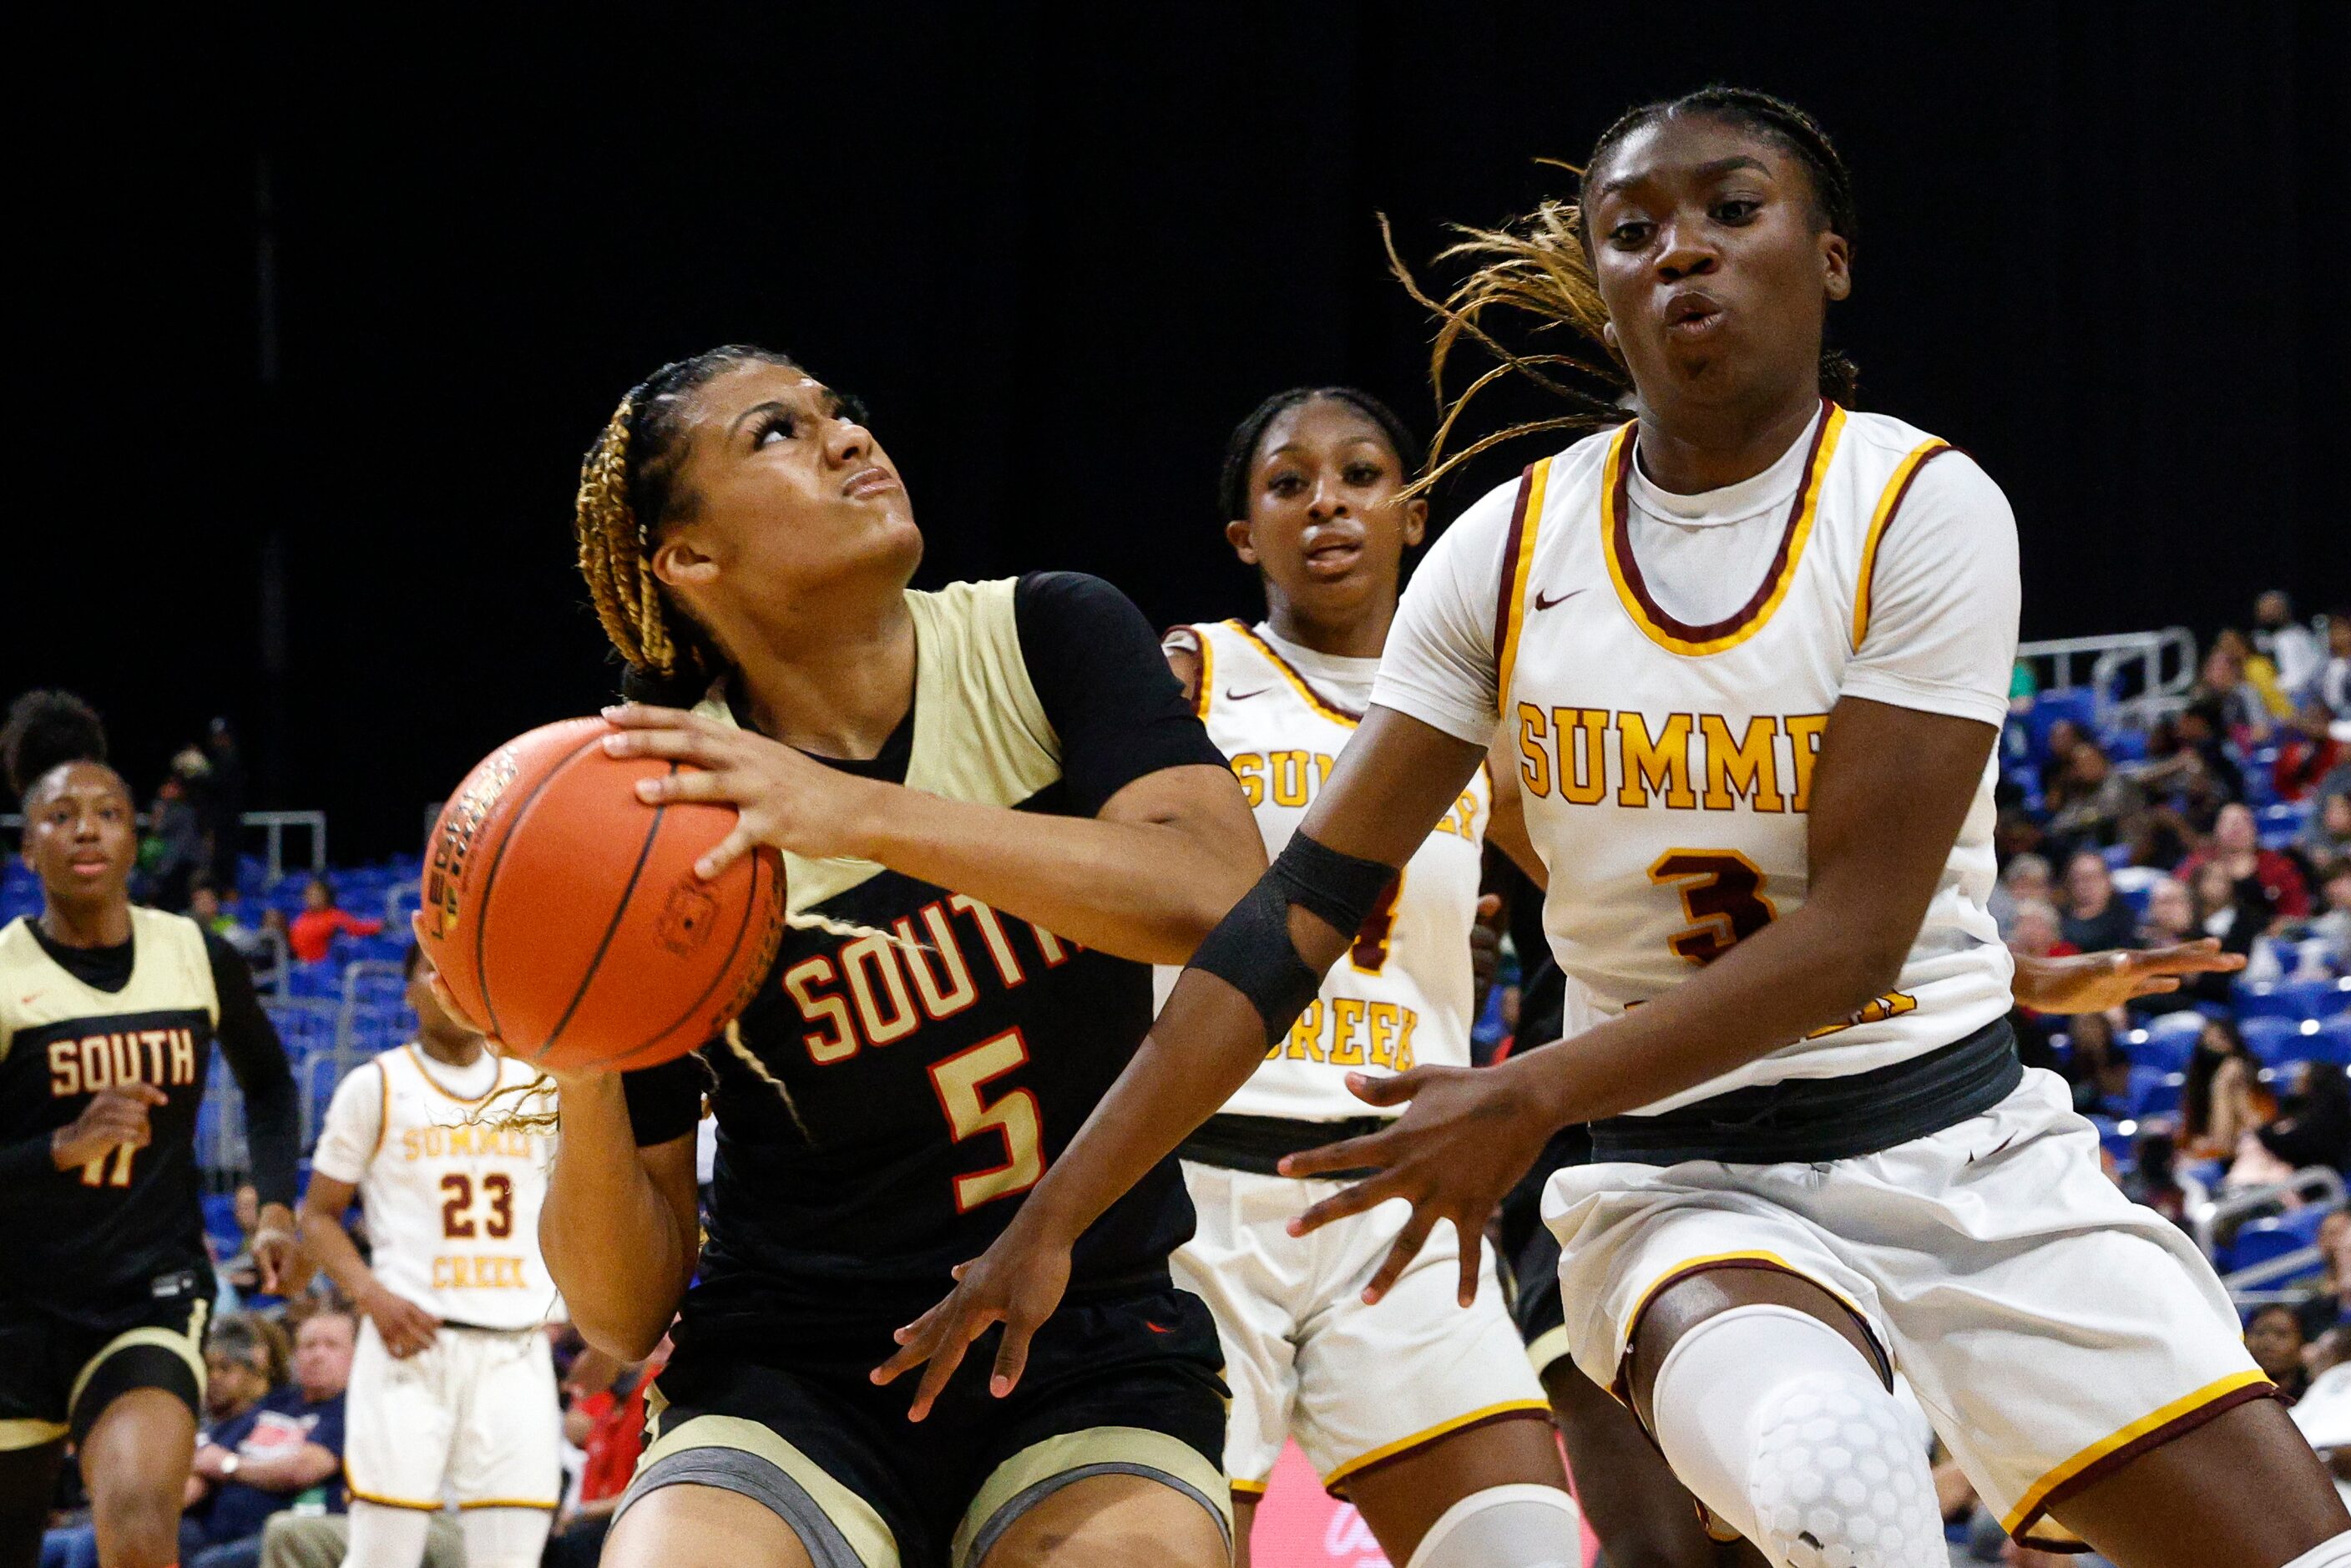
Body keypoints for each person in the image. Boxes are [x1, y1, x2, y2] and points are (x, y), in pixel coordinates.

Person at [884, 89, 2351, 1567]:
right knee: (1838, 1481)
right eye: (1632, 232)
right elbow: (1289, 913)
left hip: (1968, 1146)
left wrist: (1525, 1095)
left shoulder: (1921, 503)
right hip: (1684, 1178)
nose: (1681, 254)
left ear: (1829, 257)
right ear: (1599, 287)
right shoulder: (1503, 552)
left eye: (1732, 210)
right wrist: (1055, 1208)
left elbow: (1849, 934)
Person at [446, 345, 1267, 1568]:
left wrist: (855, 813)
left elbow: (1219, 896)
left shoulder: (1044, 634)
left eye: (842, 413)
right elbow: (621, 1311)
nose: (846, 438)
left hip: (1086, 1332)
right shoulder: (659, 810)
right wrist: (579, 1056)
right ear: (691, 559)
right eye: (777, 431)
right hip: (794, 1365)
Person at [1158, 387, 1580, 1565]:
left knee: (1527, 1548)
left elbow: (1618, 899)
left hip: (1402, 1189)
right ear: (1247, 536)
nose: (1327, 501)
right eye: (1287, 484)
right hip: (1194, 1189)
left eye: (1359, 475)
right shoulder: (1189, 674)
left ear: (1413, 514)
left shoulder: (1484, 716)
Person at [0, 690, 306, 1568]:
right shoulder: (6, 978)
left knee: (136, 1522)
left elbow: (273, 1086)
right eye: (62, 817)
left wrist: (277, 1205)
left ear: (139, 837)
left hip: (147, 1292)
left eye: (108, 814)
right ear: (29, 846)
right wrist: (60, 1148)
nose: (87, 830)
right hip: (14, 1306)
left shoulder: (193, 953)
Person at [297, 943, 561, 1568]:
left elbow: (579, 1211)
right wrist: (371, 1295)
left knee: (512, 1561)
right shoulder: (376, 1085)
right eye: (432, 970)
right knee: (380, 1557)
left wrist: (597, 1329)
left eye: (471, 973)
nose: (452, 987)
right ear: (410, 991)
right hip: (406, 1346)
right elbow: (316, 1215)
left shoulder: (541, 1088)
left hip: (516, 1349)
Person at [183, 1311, 354, 1568]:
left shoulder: (350, 1410)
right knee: (137, 1535)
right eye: (308, 1346)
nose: (317, 1355)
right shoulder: (276, 1403)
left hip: (286, 1536)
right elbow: (207, 1459)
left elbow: (305, 1468)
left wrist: (230, 1466)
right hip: (213, 1528)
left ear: (355, 1356)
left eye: (331, 1345)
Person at [2181, 802, 2312, 928]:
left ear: (2255, 830)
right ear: (2216, 830)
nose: (2237, 827)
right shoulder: (2201, 862)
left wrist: (2281, 926)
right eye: (2229, 822)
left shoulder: (2277, 865)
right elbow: (2179, 892)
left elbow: (2297, 911)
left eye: (2244, 821)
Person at [2179, 1019, 2272, 1161]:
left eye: (2221, 1039)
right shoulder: (2196, 1094)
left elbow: (2260, 1134)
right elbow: (2211, 1145)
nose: (2214, 1046)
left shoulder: (2258, 1090)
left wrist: (2232, 1089)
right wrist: (2220, 1086)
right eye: (2208, 1041)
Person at [286, 879, 383, 967]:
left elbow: (358, 928)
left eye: (316, 894)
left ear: (327, 895)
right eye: (309, 894)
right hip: (297, 963)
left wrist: (379, 925)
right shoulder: (301, 918)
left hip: (319, 966)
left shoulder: (335, 916)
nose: (311, 898)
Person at [2059, 852, 2140, 955]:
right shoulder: (2057, 919)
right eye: (2078, 878)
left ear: (2108, 879)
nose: (2085, 885)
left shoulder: (2127, 920)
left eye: (2092, 877)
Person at [2260, 593, 2327, 703]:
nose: (2269, 614)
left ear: (2286, 610)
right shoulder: (2271, 639)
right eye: (2264, 610)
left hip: (2304, 697)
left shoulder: (2294, 636)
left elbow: (2298, 678)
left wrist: (2272, 688)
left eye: (2273, 609)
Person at [2250, 1307, 2314, 1403]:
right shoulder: (2233, 1395)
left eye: (2281, 1334)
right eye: (2260, 1333)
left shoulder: (2316, 1395)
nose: (2268, 1342)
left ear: (2302, 1343)